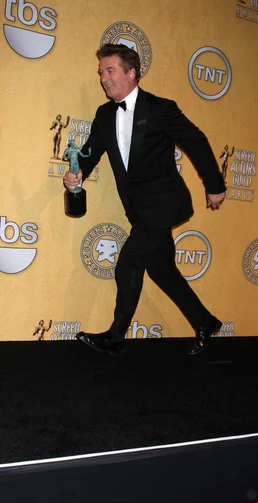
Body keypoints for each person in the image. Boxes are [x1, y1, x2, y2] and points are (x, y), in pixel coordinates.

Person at [63, 43, 226, 356]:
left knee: (128, 265)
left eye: (110, 71)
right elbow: (89, 154)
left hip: (164, 203)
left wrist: (214, 184)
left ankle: (115, 336)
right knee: (162, 269)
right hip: (138, 209)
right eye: (101, 72)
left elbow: (195, 140)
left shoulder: (160, 108)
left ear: (131, 73)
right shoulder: (104, 114)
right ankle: (205, 322)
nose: (104, 78)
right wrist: (77, 173)